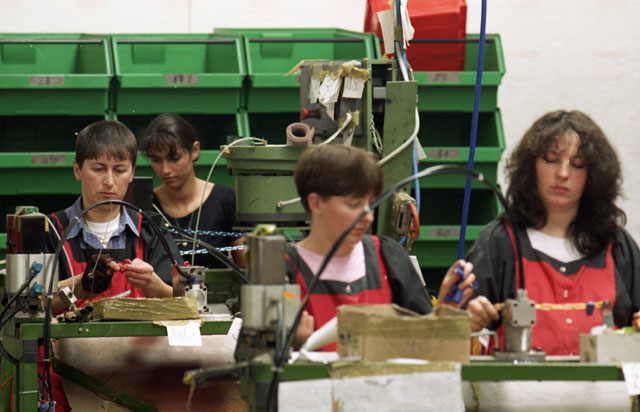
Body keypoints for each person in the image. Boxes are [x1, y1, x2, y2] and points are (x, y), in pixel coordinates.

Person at [465, 110, 640, 356]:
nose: (563, 173)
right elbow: (458, 342)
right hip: (515, 382)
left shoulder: (618, 247)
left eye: (577, 164)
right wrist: (466, 323)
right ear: (530, 166)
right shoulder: (498, 243)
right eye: (550, 159)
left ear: (594, 175)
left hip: (606, 383)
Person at [45, 120, 184, 411]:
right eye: (98, 169)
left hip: (139, 382)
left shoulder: (151, 230)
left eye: (119, 170)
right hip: (65, 381)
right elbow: (31, 307)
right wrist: (80, 285)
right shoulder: (51, 230)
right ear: (77, 169)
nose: (109, 181)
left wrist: (152, 284)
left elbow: (183, 302)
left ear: (131, 173)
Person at [287, 144, 476, 350]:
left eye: (370, 204)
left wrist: (444, 313)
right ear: (316, 204)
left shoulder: (388, 258)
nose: (368, 216)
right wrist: (289, 346)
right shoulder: (284, 269)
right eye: (354, 204)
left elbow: (426, 347)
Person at [141, 113, 244, 269]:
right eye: (156, 160)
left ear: (195, 150)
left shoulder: (226, 199)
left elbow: (246, 269)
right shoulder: (146, 205)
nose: (165, 169)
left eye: (174, 158)